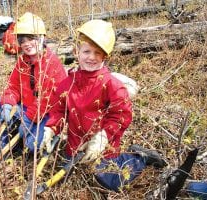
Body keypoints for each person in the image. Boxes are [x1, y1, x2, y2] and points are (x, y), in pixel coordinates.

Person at [39, 19, 166, 192]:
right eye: (87, 51)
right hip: (75, 143)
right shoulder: (67, 83)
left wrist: (102, 137)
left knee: (108, 181)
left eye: (97, 53)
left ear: (105, 56)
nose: (91, 57)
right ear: (77, 51)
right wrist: (51, 128)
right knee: (67, 173)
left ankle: (139, 157)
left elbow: (122, 115)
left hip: (104, 145)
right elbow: (59, 110)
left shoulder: (111, 84)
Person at [0, 12, 67, 160]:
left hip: (45, 115)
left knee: (33, 146)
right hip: (23, 108)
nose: (27, 44)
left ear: (42, 37)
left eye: (31, 38)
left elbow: (50, 100)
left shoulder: (52, 63)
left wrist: (28, 118)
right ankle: (0, 151)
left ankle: (23, 141)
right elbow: (13, 86)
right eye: (22, 40)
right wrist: (7, 103)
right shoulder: (22, 61)